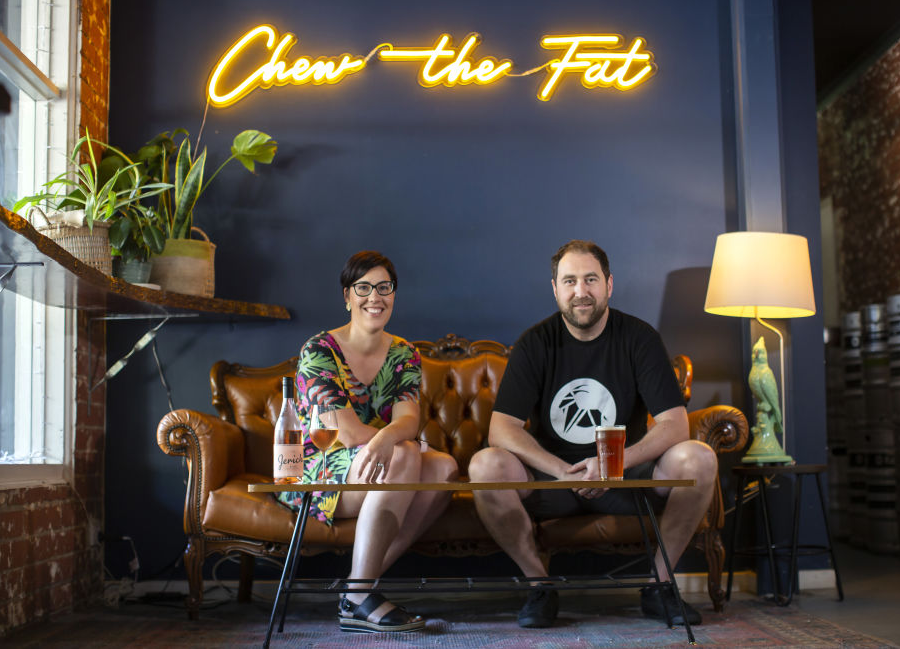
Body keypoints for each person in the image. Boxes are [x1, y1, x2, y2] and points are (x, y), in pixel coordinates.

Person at [467, 240, 718, 628]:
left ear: (609, 285)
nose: (580, 291)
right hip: (552, 482)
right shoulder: (535, 343)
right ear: (555, 288)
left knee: (699, 456)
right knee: (485, 464)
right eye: (569, 281)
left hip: (624, 476)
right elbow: (501, 429)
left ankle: (660, 586)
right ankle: (541, 586)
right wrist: (562, 470)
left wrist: (610, 465)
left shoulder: (639, 338)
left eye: (590, 280)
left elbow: (674, 423)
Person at [279, 250, 458, 634]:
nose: (374, 297)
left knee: (445, 467)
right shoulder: (319, 351)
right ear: (347, 296)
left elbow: (409, 420)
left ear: (394, 295)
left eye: (384, 287)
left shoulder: (404, 353)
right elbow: (342, 432)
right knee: (408, 454)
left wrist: (387, 442)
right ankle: (360, 598)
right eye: (363, 287)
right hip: (320, 467)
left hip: (383, 462)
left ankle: (357, 588)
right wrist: (394, 443)